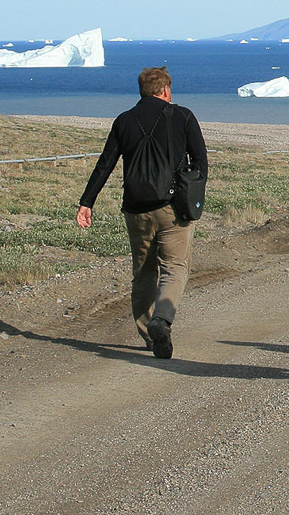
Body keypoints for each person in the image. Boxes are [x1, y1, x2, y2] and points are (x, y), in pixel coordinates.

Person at [76, 66, 207, 359]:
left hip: (136, 210)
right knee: (174, 267)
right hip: (174, 209)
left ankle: (150, 334)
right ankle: (163, 319)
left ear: (142, 90)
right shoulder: (183, 116)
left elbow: (105, 163)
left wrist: (87, 202)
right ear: (165, 90)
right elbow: (200, 160)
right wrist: (194, 200)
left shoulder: (124, 121)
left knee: (143, 271)